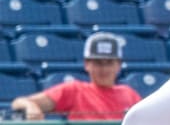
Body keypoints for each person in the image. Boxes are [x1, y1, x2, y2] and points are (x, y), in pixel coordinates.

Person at [11, 32, 141, 120]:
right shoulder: (74, 91)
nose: (104, 68)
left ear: (118, 65)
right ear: (87, 64)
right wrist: (31, 107)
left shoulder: (129, 94)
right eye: (98, 62)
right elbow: (19, 102)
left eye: (109, 62)